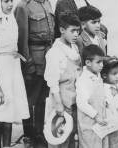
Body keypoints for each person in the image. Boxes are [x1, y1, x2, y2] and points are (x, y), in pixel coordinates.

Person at [0, 0, 30, 148]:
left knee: (9, 115)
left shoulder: (11, 20)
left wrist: (18, 56)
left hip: (12, 71)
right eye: (6, 1)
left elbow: (12, 46)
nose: (10, 5)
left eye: (11, 1)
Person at [14, 0, 55, 147]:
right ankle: (29, 136)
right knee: (29, 100)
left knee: (42, 99)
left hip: (47, 59)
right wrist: (28, 63)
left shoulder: (47, 3)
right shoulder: (23, 6)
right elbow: (21, 38)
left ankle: (39, 133)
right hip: (33, 58)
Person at [44, 12, 82, 148]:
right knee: (60, 137)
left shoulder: (74, 48)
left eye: (78, 31)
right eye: (73, 31)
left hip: (74, 100)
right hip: (61, 101)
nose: (76, 34)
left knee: (71, 135)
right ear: (62, 30)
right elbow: (52, 81)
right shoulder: (55, 53)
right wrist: (59, 104)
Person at [76, 44, 109, 148]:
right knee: (90, 144)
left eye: (102, 62)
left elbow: (99, 94)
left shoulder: (97, 75)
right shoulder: (83, 80)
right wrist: (95, 115)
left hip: (99, 121)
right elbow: (81, 103)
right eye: (98, 62)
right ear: (88, 63)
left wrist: (105, 100)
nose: (102, 65)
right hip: (89, 122)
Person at [101, 56, 118, 148]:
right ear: (104, 75)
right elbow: (112, 108)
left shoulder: (115, 86)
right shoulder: (104, 89)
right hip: (112, 128)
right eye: (114, 73)